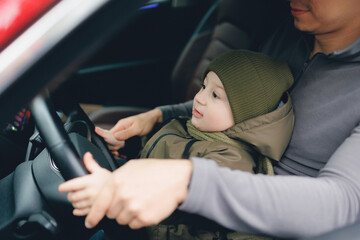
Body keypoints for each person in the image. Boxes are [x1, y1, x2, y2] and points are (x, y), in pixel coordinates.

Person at [59, 0, 360, 238]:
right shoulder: (288, 37)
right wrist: (158, 117)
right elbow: (230, 103)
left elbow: (341, 203)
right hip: (201, 201)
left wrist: (187, 182)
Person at [59, 50, 294, 239]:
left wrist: (116, 188)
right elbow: (160, 151)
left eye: (215, 96)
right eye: (204, 86)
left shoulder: (232, 163)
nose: (199, 98)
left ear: (246, 115)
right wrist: (126, 148)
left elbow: (183, 201)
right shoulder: (189, 127)